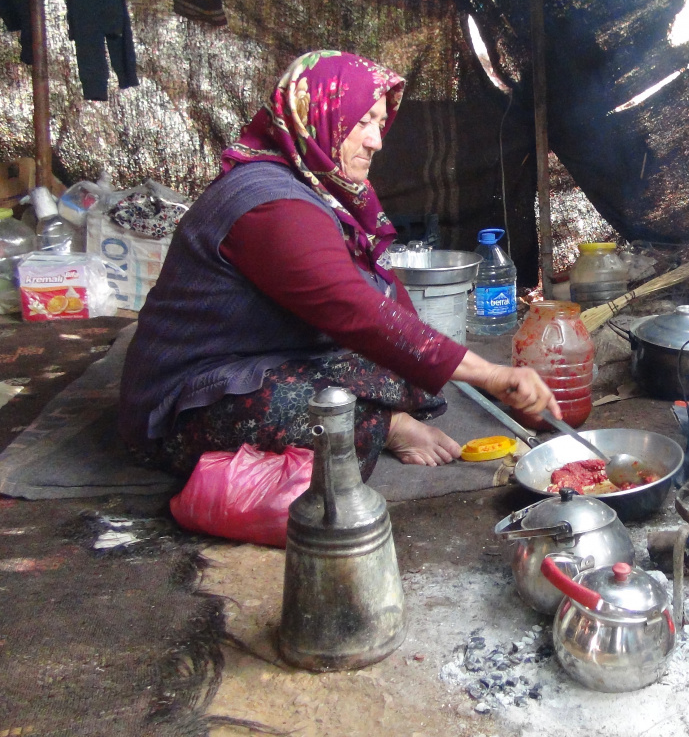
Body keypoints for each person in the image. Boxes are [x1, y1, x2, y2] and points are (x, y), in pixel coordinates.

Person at [118, 50, 559, 479]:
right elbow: (349, 308)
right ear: (316, 112)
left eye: (381, 123)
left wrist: (454, 366)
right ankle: (382, 426)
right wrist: (491, 375)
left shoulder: (319, 188)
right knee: (304, 406)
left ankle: (378, 412)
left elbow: (380, 298)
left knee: (414, 366)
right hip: (189, 393)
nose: (377, 140)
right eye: (363, 121)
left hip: (266, 352)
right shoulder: (267, 202)